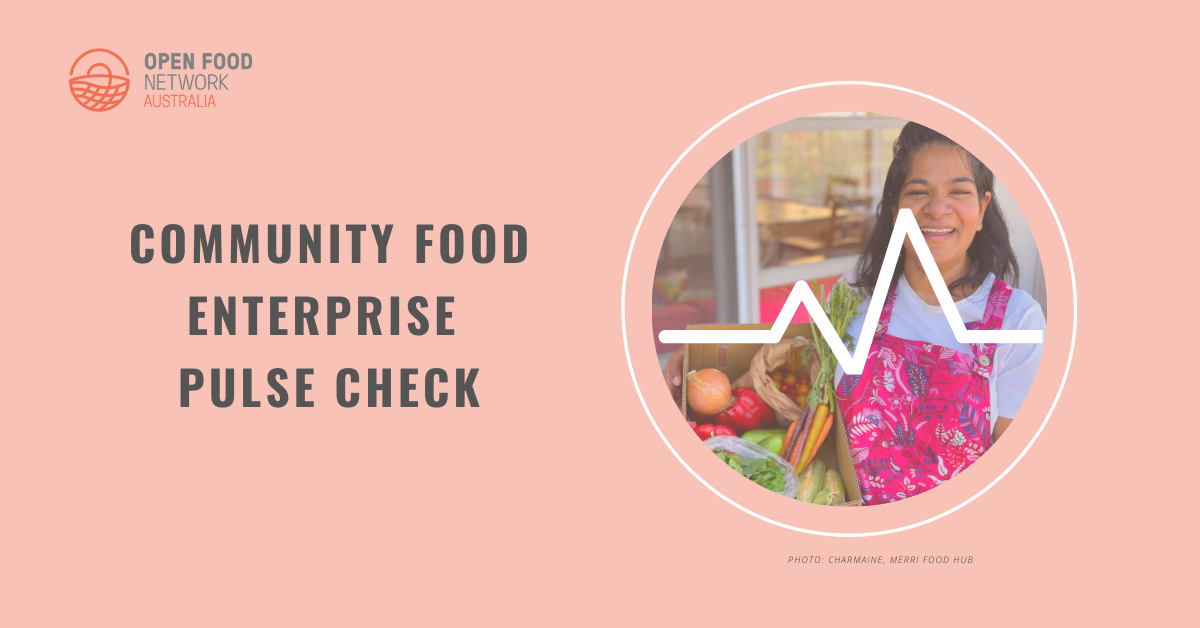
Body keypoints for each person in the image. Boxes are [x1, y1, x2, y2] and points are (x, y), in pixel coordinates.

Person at [663, 122, 1045, 505]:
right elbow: (801, 374)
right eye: (918, 192)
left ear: (982, 210)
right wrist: (706, 367)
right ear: (895, 210)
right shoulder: (857, 294)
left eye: (958, 192)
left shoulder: (1016, 321)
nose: (937, 208)